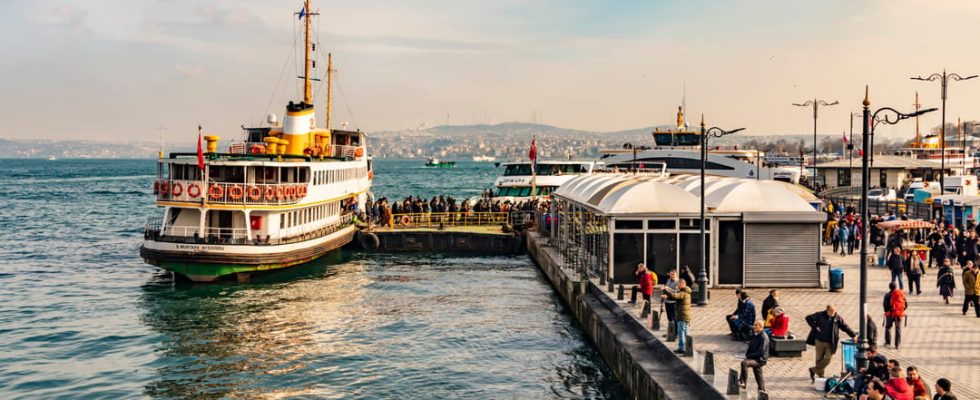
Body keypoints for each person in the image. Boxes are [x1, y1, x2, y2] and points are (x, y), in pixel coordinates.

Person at [806, 304, 857, 382]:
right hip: (819, 340)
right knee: (819, 358)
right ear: (827, 310)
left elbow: (845, 327)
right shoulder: (820, 315)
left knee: (828, 359)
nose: (833, 313)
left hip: (830, 342)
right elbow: (808, 318)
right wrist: (814, 326)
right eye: (831, 311)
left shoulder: (837, 318)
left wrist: (853, 335)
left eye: (834, 311)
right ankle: (820, 375)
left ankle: (813, 370)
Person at [661, 278, 691, 355]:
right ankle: (687, 347)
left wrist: (666, 290)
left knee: (681, 332)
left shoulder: (684, 293)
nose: (677, 286)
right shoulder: (685, 291)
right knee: (685, 332)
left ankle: (681, 348)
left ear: (682, 284)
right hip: (685, 315)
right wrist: (667, 297)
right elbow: (675, 295)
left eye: (678, 284)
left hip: (682, 316)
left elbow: (676, 296)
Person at [739, 320, 768, 393]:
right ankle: (761, 389)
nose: (753, 326)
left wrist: (749, 355)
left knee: (744, 363)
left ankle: (743, 382)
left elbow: (761, 352)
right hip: (755, 357)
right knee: (758, 372)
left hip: (760, 359)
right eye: (754, 324)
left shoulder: (763, 337)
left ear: (761, 327)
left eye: (756, 325)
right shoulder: (757, 334)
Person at [883, 282, 907, 349]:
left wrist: (887, 312)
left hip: (890, 314)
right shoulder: (900, 294)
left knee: (888, 327)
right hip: (898, 314)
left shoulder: (887, 295)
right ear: (896, 287)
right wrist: (901, 310)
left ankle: (888, 343)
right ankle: (897, 345)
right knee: (898, 329)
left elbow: (885, 305)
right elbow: (906, 304)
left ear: (889, 287)